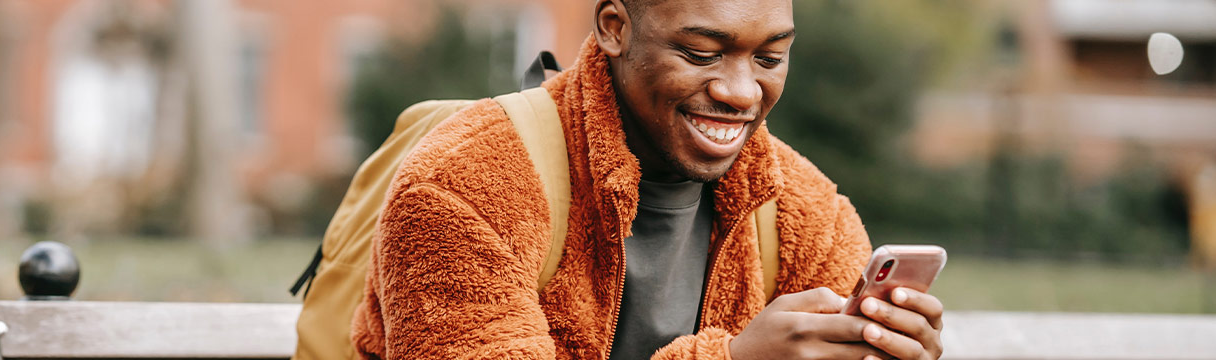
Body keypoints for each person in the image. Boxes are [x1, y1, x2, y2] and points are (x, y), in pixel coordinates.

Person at [350, 0, 944, 358]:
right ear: (614, 27)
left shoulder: (803, 209)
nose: (741, 92)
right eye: (701, 52)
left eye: (768, 58)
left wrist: (883, 350)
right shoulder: (466, 182)